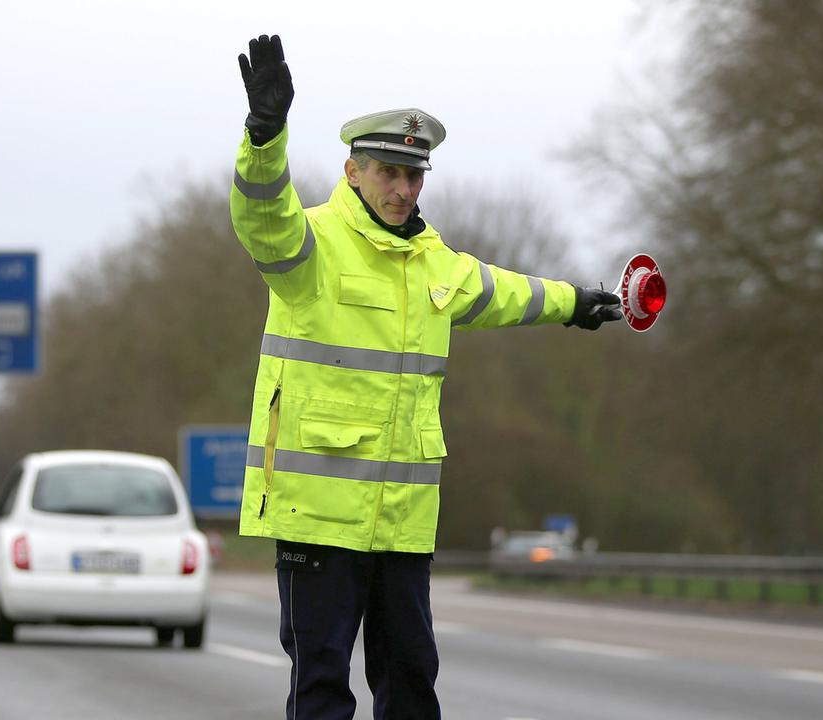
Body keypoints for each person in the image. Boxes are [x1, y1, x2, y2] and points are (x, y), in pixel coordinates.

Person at [231, 34, 622, 719]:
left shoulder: (437, 263)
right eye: (389, 173)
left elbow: (510, 293)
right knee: (322, 691)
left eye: (415, 177)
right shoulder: (311, 245)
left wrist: (576, 304)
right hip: (320, 521)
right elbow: (261, 215)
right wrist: (266, 135)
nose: (403, 189)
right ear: (353, 171)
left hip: (404, 527)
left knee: (412, 687)